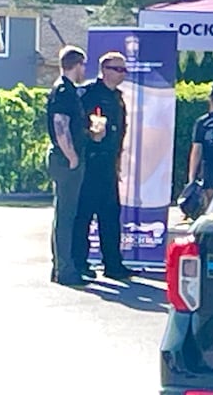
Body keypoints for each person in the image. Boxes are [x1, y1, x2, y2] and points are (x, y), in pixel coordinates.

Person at [72, 51, 133, 281]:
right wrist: (90, 135)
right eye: (118, 69)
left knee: (110, 215)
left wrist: (117, 161)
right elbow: (76, 126)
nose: (122, 74)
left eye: (124, 70)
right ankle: (80, 262)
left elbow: (120, 133)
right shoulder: (88, 94)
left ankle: (113, 265)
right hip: (91, 162)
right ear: (105, 70)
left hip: (108, 163)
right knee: (84, 215)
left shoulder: (117, 97)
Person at [46, 45, 104, 286]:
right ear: (76, 65)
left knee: (65, 214)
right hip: (65, 160)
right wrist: (71, 156)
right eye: (83, 65)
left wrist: (90, 134)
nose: (84, 71)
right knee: (66, 216)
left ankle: (61, 266)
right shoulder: (64, 91)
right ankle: (65, 270)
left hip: (67, 157)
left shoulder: (68, 91)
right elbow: (60, 125)